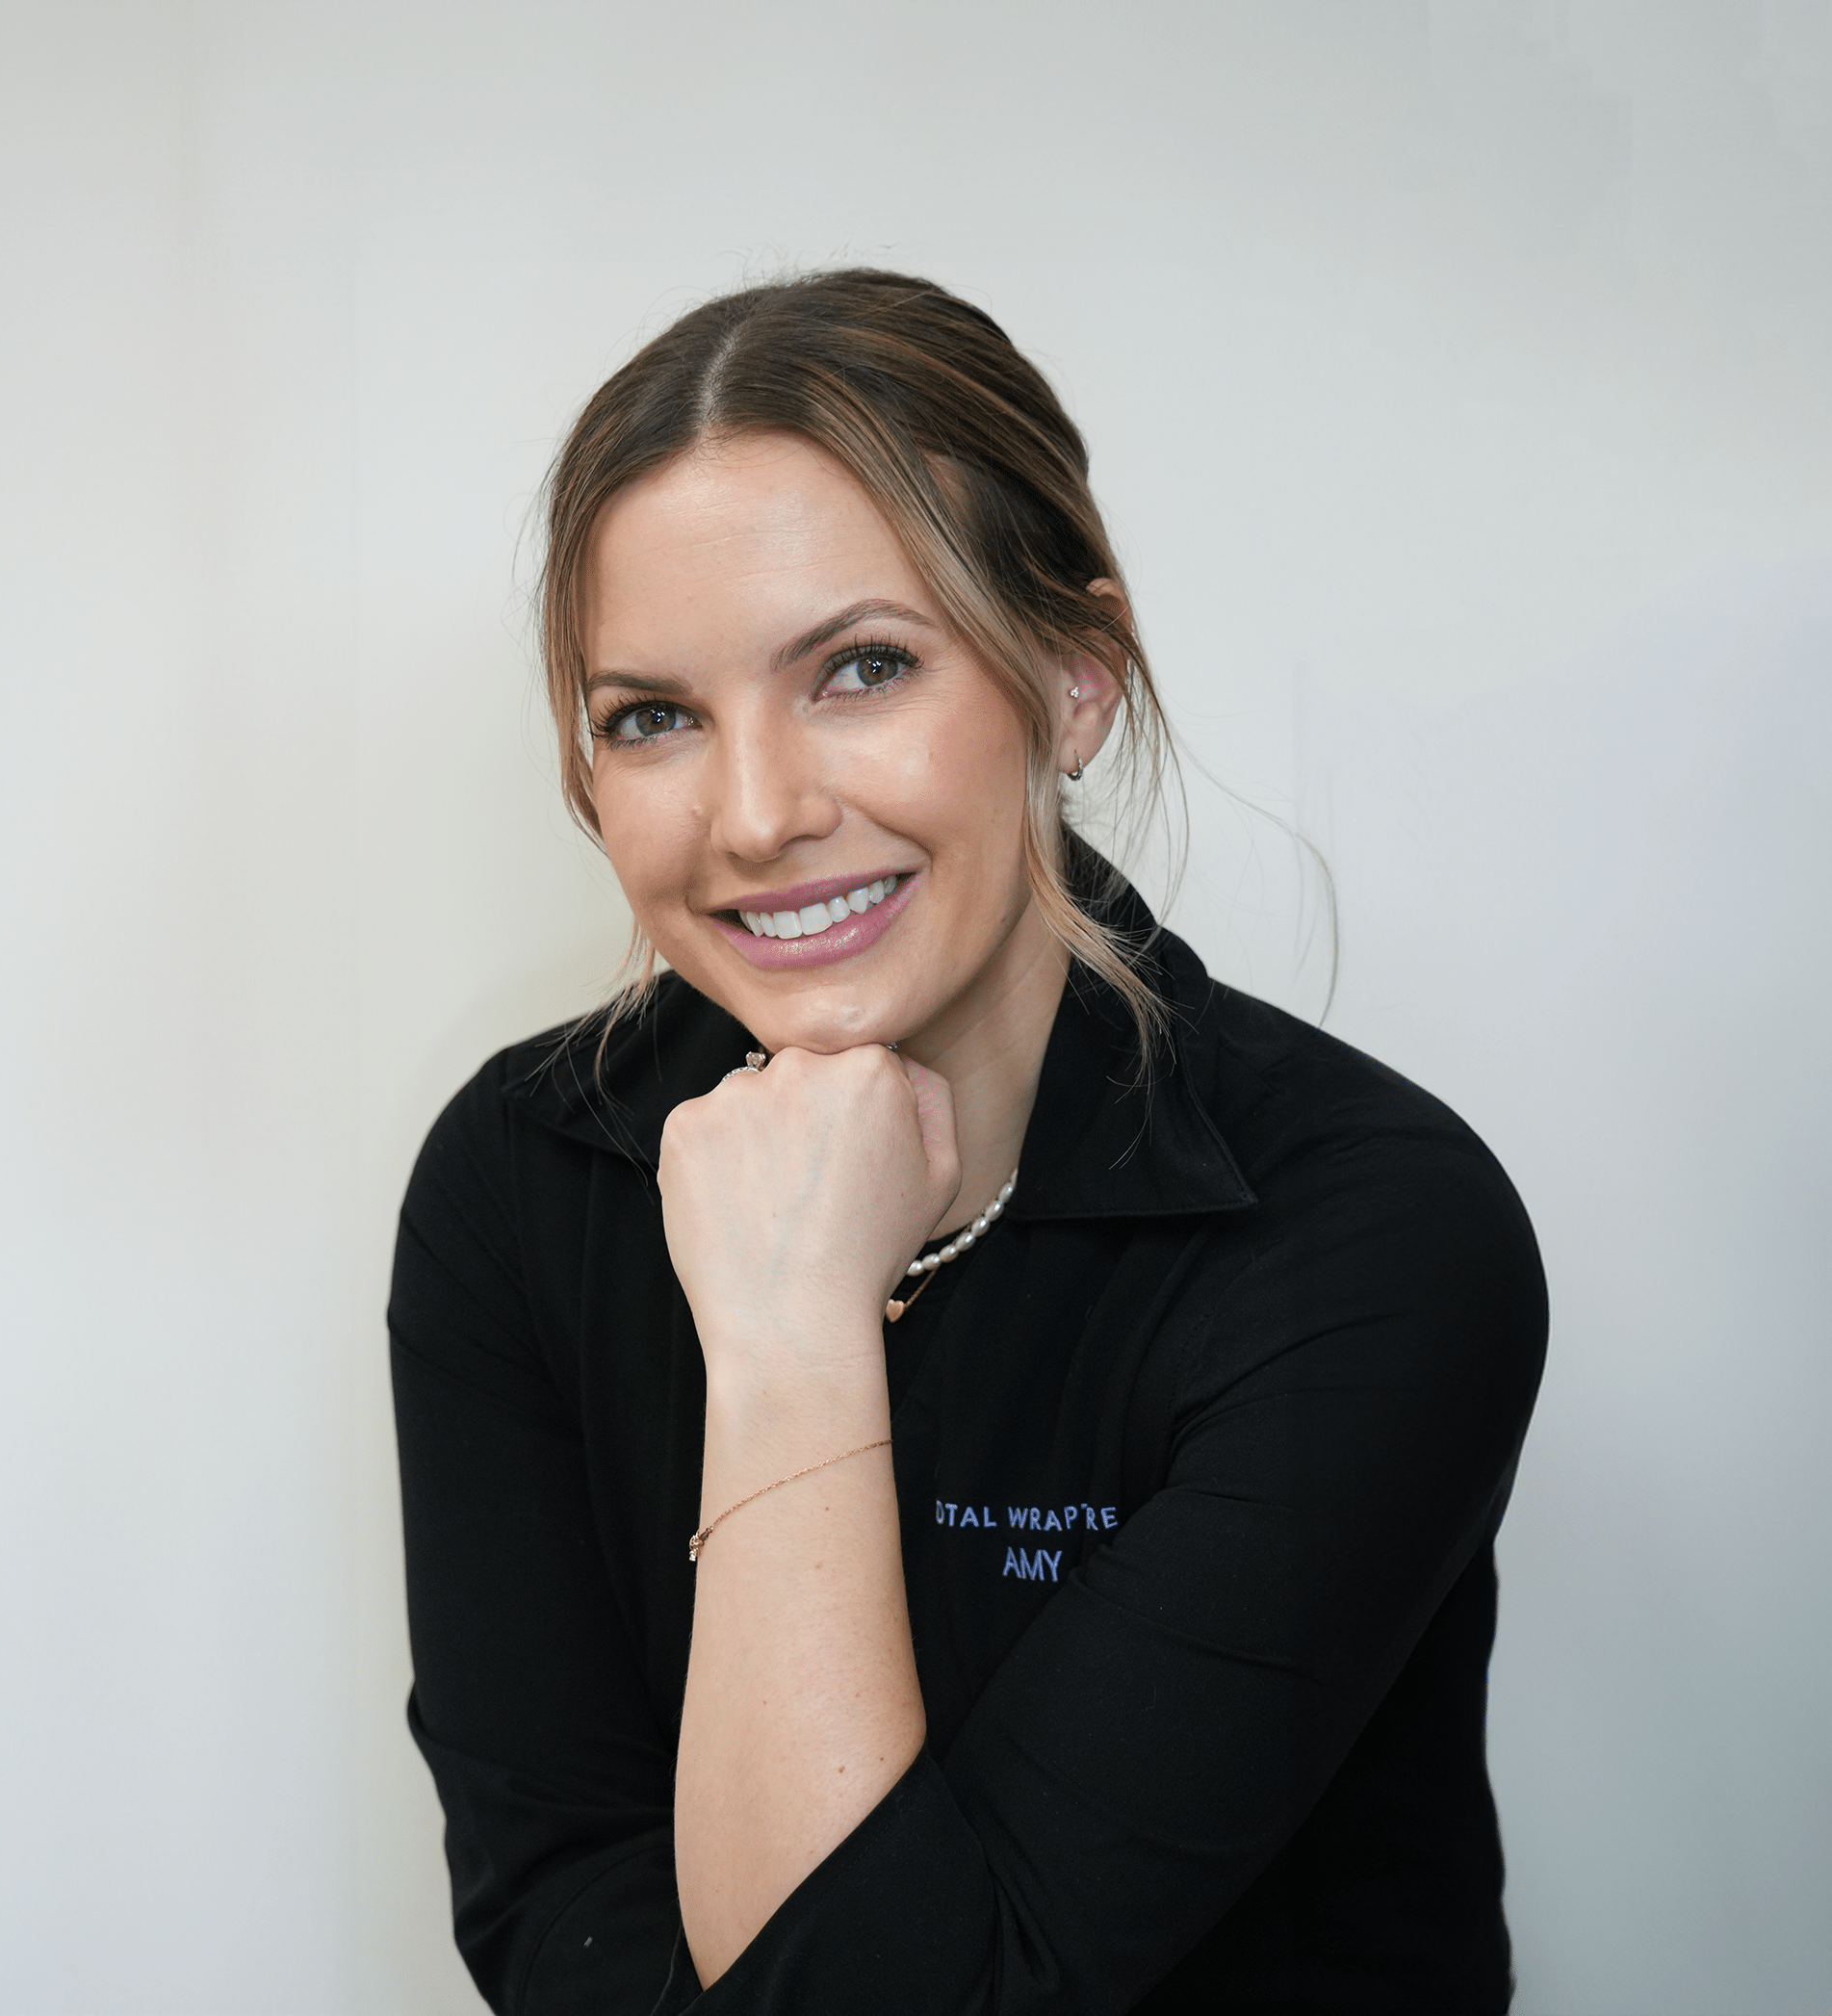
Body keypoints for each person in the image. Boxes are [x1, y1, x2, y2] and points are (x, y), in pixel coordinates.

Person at [388, 269, 1546, 2015]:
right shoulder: (517, 1183)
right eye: (653, 716)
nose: (759, 813)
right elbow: (561, 1898)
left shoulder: (1368, 1233)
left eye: (859, 668)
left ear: (1071, 677)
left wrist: (787, 1350)